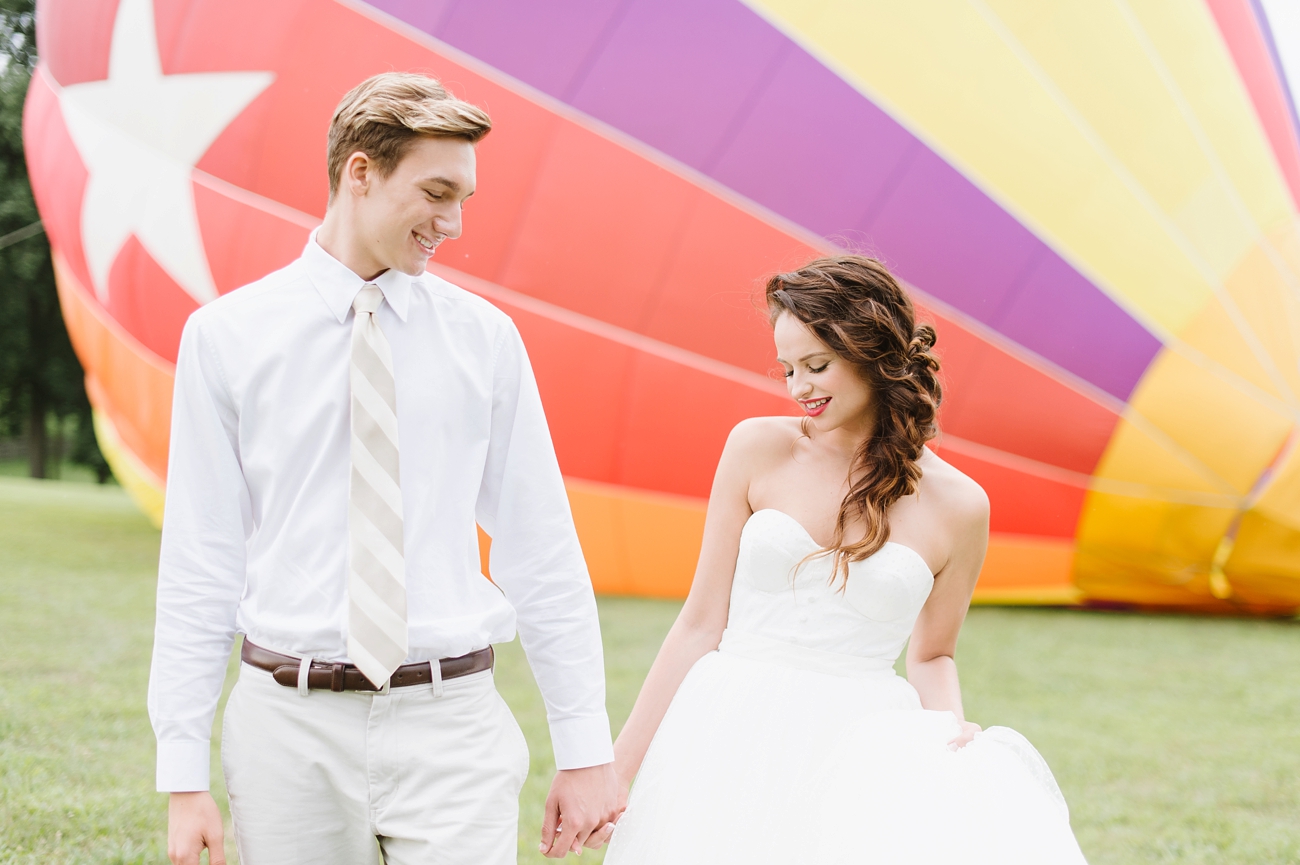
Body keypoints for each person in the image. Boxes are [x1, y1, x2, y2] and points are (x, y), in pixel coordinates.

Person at [148, 72, 620, 865]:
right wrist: (182, 770)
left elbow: (541, 548)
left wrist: (584, 745)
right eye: (437, 191)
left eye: (465, 197)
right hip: (284, 731)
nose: (455, 222)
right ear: (359, 173)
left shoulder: (487, 340)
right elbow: (201, 559)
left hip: (453, 723)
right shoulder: (224, 337)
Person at [604, 256, 1089, 864]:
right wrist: (617, 768)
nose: (798, 387)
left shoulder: (961, 506)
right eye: (787, 369)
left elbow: (934, 653)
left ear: (871, 353)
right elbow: (701, 623)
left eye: (816, 365)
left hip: (860, 748)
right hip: (727, 726)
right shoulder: (756, 447)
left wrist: (949, 736)